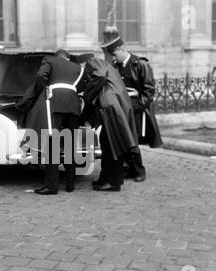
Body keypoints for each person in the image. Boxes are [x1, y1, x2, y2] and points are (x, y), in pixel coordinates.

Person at [16, 50, 85, 195]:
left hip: (54, 102)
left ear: (56, 56)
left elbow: (41, 75)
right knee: (69, 144)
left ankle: (52, 186)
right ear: (67, 57)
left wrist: (45, 87)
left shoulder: (50, 60)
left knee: (52, 145)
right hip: (73, 104)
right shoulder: (77, 67)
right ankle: (70, 184)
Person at [101, 27, 163, 182]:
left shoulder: (140, 64)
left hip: (136, 108)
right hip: (121, 106)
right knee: (123, 137)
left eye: (115, 54)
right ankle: (129, 168)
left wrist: (138, 107)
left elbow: (149, 91)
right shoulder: (116, 66)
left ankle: (139, 171)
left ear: (122, 49)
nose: (114, 58)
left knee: (132, 139)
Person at [81, 56, 139, 192]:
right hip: (114, 105)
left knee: (113, 145)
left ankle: (113, 182)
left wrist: (87, 94)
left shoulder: (92, 61)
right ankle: (105, 179)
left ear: (82, 63)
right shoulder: (105, 64)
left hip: (112, 106)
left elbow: (100, 76)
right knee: (108, 144)